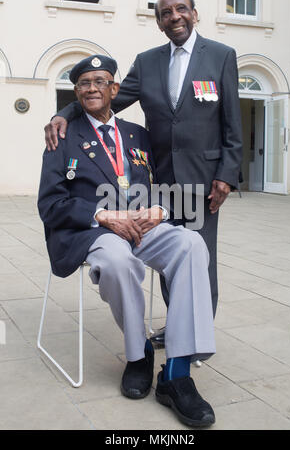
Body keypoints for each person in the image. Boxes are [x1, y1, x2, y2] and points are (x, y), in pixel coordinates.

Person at [44, 0, 243, 352]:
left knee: (200, 256)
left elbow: (232, 122)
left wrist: (227, 175)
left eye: (181, 9)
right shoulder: (148, 62)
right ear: (159, 21)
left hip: (203, 182)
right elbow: (105, 96)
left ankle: (196, 340)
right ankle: (174, 327)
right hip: (161, 180)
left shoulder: (220, 56)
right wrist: (63, 114)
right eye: (166, 12)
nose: (175, 17)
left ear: (194, 14)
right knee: (170, 258)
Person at [38, 54, 217, 428]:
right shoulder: (63, 136)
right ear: (76, 92)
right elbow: (50, 204)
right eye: (84, 83)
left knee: (191, 245)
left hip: (143, 225)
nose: (92, 88)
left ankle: (177, 374)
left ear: (114, 89)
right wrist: (101, 214)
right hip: (95, 230)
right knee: (117, 259)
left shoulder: (138, 134)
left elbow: (168, 185)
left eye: (100, 81)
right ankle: (139, 357)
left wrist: (160, 212)